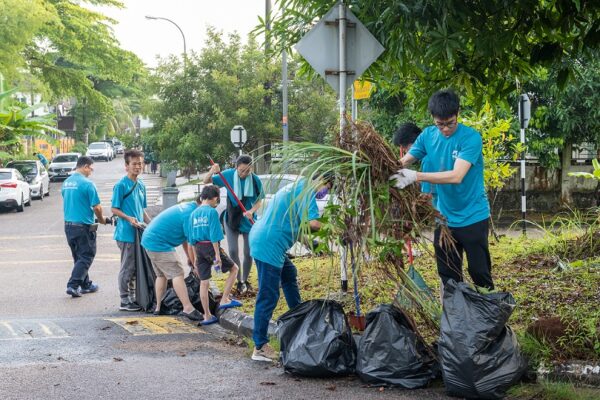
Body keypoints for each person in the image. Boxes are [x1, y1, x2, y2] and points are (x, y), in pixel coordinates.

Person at [391, 89, 494, 290]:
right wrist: (384, 168)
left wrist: (416, 176)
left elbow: (457, 176)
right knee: (449, 277)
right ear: (432, 119)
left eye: (450, 123)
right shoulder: (427, 136)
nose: (445, 129)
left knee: (479, 274)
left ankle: (490, 319)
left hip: (473, 216)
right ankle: (456, 319)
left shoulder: (470, 138)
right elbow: (403, 161)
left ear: (458, 114)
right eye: (440, 124)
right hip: (445, 220)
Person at [249, 174, 333, 362]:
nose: (324, 193)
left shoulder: (294, 187)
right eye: (326, 188)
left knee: (289, 274)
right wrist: (336, 229)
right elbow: (313, 223)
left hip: (262, 238)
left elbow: (295, 223)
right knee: (268, 295)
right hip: (270, 245)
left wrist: (311, 244)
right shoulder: (307, 191)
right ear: (319, 180)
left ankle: (299, 318)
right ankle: (260, 346)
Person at [203, 155, 263, 294]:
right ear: (236, 167)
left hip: (248, 220)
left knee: (249, 253)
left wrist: (251, 211)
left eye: (247, 171)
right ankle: (239, 280)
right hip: (231, 219)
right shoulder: (229, 175)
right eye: (241, 170)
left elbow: (260, 201)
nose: (244, 174)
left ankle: (245, 280)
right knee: (234, 251)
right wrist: (213, 170)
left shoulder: (255, 180)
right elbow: (206, 181)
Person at [187, 185, 242, 326]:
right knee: (234, 268)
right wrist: (217, 255)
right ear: (215, 198)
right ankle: (224, 299)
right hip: (210, 247)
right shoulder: (211, 212)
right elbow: (214, 236)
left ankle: (207, 315)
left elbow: (191, 238)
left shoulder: (193, 213)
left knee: (204, 282)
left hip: (198, 248)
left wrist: (196, 258)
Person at [141, 201, 203, 321]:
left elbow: (185, 238)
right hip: (159, 243)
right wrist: (196, 265)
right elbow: (191, 245)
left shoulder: (188, 207)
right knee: (177, 273)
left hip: (149, 240)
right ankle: (188, 308)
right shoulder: (191, 215)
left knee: (161, 275)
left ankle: (158, 307)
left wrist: (189, 258)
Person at [61, 156, 108, 297]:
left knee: (79, 257)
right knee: (87, 256)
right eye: (91, 169)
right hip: (83, 227)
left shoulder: (66, 183)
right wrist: (101, 219)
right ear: (86, 166)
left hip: (68, 226)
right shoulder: (88, 184)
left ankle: (85, 284)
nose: (91, 172)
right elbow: (97, 207)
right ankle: (73, 285)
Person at [111, 149, 151, 312]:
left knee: (136, 266)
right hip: (126, 234)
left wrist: (151, 225)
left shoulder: (141, 184)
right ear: (126, 166)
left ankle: (133, 297)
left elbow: (142, 210)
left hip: (139, 232)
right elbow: (114, 209)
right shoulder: (121, 185)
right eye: (134, 164)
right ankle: (124, 300)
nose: (138, 166)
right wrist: (129, 219)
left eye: (140, 163)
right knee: (127, 266)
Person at [392, 122, 436, 207]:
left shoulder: (428, 160)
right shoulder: (433, 149)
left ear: (416, 142)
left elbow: (428, 196)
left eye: (405, 147)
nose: (405, 152)